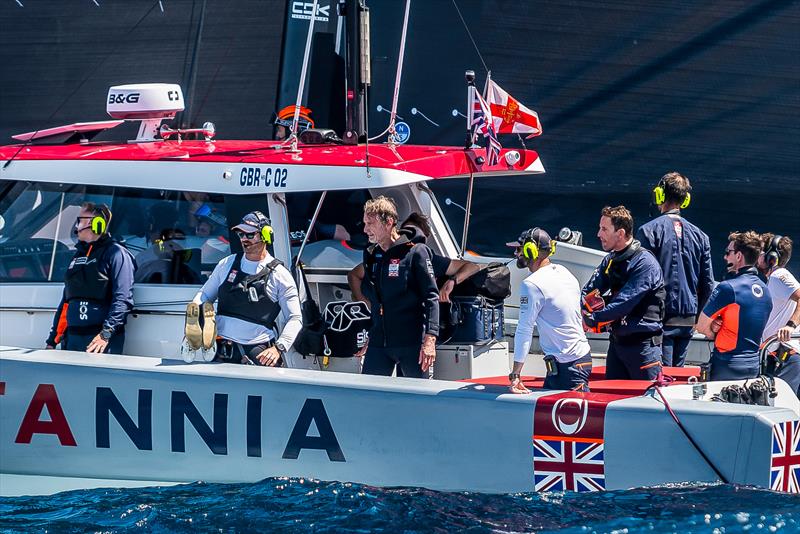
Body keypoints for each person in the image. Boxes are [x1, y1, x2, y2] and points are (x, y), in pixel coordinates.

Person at [192, 211, 302, 366]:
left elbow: (295, 318)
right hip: (221, 350)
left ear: (265, 235)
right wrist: (195, 312)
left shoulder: (280, 275)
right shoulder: (226, 264)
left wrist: (278, 348)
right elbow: (204, 295)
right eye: (241, 234)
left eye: (250, 235)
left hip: (258, 352)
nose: (244, 239)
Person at [636, 172, 714, 367]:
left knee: (660, 380)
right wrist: (698, 318)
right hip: (688, 321)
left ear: (659, 195)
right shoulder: (701, 237)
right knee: (677, 379)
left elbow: (642, 279)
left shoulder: (648, 231)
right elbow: (708, 284)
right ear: (685, 199)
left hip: (659, 320)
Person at [355, 197, 439, 377]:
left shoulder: (416, 252)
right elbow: (376, 298)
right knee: (367, 395)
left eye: (370, 223)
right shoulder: (371, 254)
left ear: (389, 222)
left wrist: (430, 339)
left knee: (418, 399)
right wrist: (371, 333)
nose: (365, 229)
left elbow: (431, 296)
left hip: (411, 342)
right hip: (379, 342)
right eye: (364, 223)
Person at [582, 206, 666, 380]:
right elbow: (588, 291)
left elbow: (623, 303)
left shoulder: (645, 263)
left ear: (620, 233)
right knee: (612, 402)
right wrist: (582, 309)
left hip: (643, 348)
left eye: (604, 229)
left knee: (647, 404)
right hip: (617, 345)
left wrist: (593, 319)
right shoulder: (610, 260)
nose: (598, 234)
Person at [506, 228, 592, 394]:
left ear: (530, 250)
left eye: (519, 249)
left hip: (568, 365)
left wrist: (515, 374)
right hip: (575, 361)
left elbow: (525, 329)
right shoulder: (564, 272)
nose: (516, 254)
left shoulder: (532, 284)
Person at [45, 202, 136, 354]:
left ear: (96, 223)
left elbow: (123, 298)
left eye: (80, 220)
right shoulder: (78, 255)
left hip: (100, 343)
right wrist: (52, 340)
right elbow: (66, 302)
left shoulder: (116, 253)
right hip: (72, 340)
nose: (76, 226)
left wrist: (105, 334)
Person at [348, 212, 481, 304]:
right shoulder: (384, 256)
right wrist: (363, 302)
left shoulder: (430, 259)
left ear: (425, 238)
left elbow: (472, 266)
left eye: (416, 233)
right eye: (408, 232)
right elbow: (354, 274)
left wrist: (452, 281)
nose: (411, 236)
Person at [695, 231, 772, 380]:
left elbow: (701, 326)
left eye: (728, 252)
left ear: (738, 256)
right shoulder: (766, 290)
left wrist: (715, 329)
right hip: (753, 368)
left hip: (727, 366)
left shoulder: (728, 288)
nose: (725, 257)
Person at [757, 233, 800, 393]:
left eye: (761, 251)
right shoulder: (774, 279)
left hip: (786, 355)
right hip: (777, 355)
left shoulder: (779, 276)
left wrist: (790, 326)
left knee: (782, 409)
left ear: (771, 257)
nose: (757, 255)